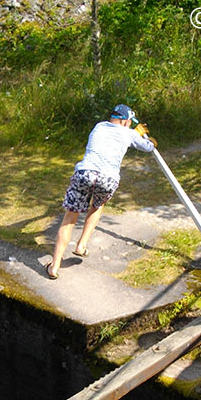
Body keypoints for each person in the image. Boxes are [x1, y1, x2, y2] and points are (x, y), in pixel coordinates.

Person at [46, 104, 157, 279]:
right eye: (128, 122)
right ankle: (81, 246)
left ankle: (54, 266)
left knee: (70, 217)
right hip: (108, 178)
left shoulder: (99, 126)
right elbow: (149, 147)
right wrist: (142, 135)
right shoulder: (129, 133)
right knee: (97, 206)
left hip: (85, 173)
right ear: (125, 121)